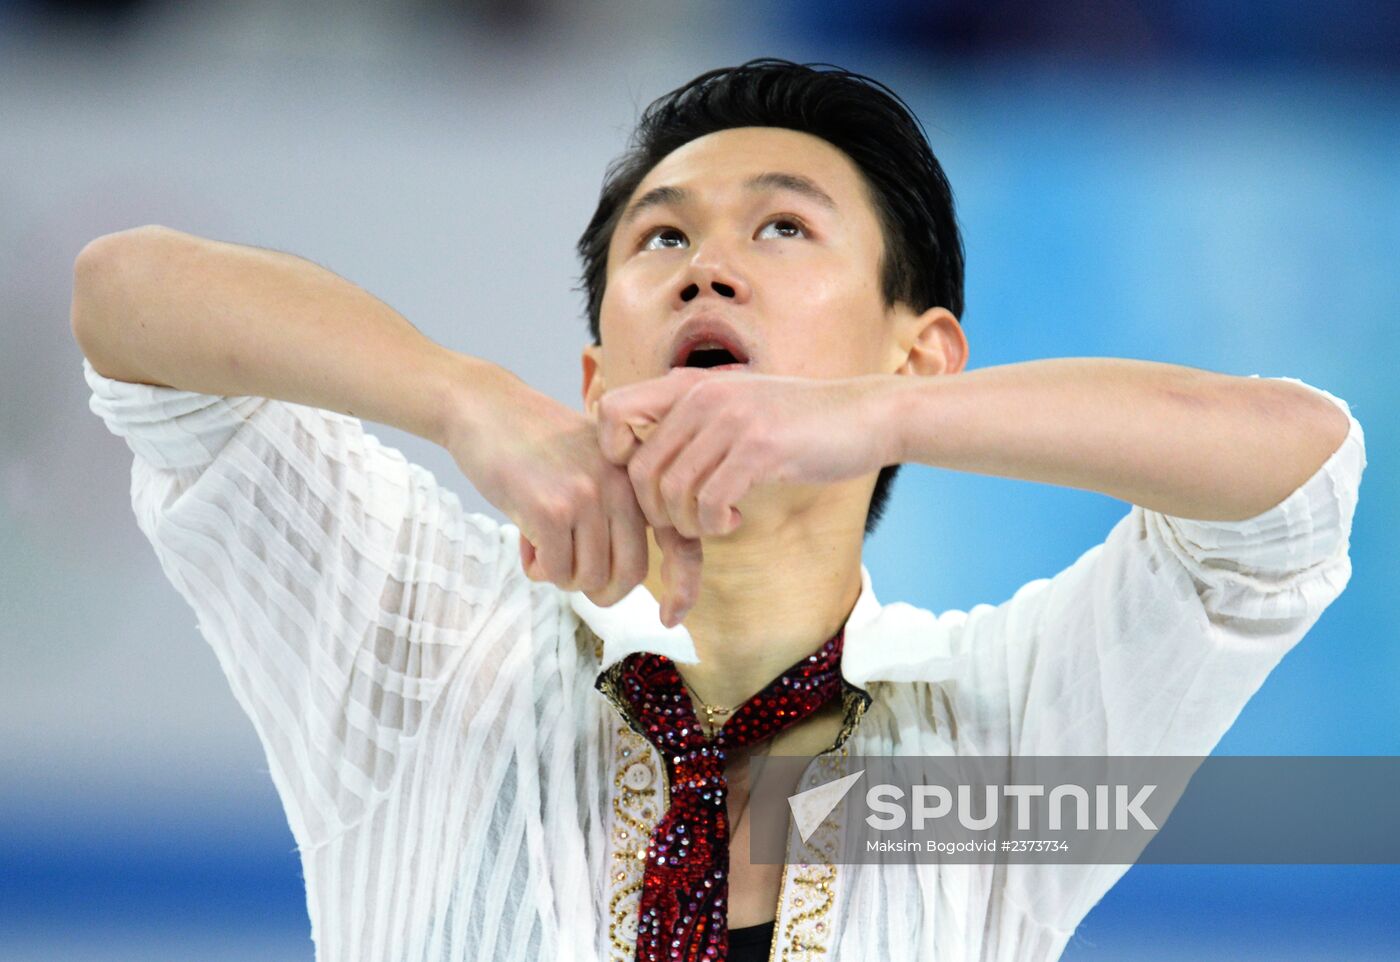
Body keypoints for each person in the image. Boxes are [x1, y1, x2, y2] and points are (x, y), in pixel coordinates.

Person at [71, 59, 1364, 962]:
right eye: (660, 240)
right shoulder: (422, 638)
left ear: (920, 353)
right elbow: (127, 301)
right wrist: (461, 399)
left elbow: (1291, 475)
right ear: (596, 376)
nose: (709, 266)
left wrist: (873, 416)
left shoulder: (998, 740)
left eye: (784, 228)